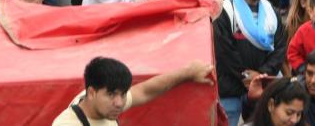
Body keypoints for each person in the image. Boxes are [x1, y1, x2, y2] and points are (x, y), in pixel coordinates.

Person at [214, 0, 287, 126]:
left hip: (263, 83)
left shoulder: (272, 12)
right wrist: (246, 76)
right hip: (231, 85)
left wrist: (262, 75)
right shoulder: (224, 11)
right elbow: (223, 50)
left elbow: (280, 46)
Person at [51, 57, 214, 126]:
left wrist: (188, 72)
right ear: (91, 92)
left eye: (122, 94)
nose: (119, 103)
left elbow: (144, 91)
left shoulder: (100, 104)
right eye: (111, 94)